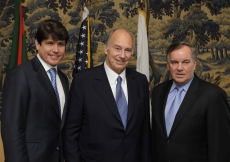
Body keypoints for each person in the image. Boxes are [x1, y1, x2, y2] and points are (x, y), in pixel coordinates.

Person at [63, 29, 152, 162]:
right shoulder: (84, 80)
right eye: (117, 48)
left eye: (127, 50)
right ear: (106, 49)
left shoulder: (140, 81)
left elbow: (145, 132)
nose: (122, 55)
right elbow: (70, 132)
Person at [1, 19, 69, 162]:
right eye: (50, 43)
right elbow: (12, 130)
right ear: (37, 44)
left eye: (60, 44)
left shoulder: (63, 79)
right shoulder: (21, 74)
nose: (56, 50)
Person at [151, 42, 230, 162]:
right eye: (174, 62)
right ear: (168, 65)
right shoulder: (158, 92)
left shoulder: (213, 95)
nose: (179, 68)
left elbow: (220, 147)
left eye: (185, 62)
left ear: (194, 64)